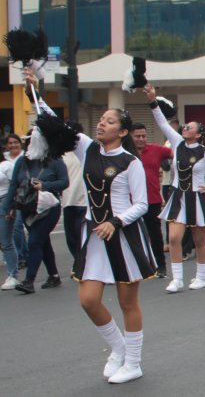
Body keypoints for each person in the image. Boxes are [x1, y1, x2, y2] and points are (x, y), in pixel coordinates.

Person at [24, 69, 155, 384]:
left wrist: (116, 221)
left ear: (122, 131)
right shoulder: (88, 148)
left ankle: (134, 363)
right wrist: (33, 89)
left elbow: (142, 203)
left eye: (110, 121)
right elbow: (53, 121)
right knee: (88, 300)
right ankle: (119, 348)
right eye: (102, 120)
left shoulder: (130, 162)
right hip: (94, 235)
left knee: (127, 302)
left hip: (124, 236)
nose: (102, 123)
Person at [146, 85, 205, 292]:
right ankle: (177, 279)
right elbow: (162, 123)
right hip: (178, 196)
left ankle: (200, 278)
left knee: (199, 239)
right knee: (174, 238)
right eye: (184, 125)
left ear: (199, 133)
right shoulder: (176, 143)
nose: (185, 127)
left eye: (189, 127)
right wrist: (152, 101)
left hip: (198, 198)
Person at [2, 142, 68, 293]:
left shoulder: (55, 160)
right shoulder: (22, 160)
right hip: (27, 207)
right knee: (43, 242)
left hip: (48, 207)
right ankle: (54, 275)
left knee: (34, 241)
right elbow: (13, 186)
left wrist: (44, 185)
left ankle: (28, 281)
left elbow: (64, 182)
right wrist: (8, 207)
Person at [130, 123, 171, 278]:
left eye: (144, 136)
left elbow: (179, 154)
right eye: (137, 136)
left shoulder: (156, 149)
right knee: (133, 235)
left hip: (152, 200)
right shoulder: (125, 152)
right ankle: (137, 266)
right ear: (130, 136)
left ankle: (161, 266)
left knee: (155, 234)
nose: (141, 139)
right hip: (130, 202)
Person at [1, 133, 25, 289]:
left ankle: (13, 275)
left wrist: (11, 207)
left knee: (5, 241)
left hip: (5, 202)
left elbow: (15, 186)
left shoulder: (6, 166)